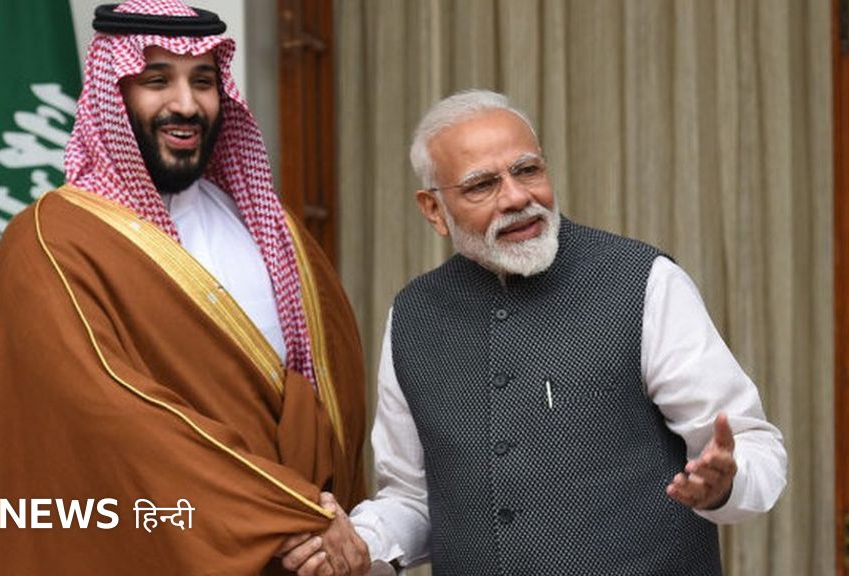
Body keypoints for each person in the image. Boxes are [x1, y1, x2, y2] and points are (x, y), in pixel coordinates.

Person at [283, 90, 787, 575]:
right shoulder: (414, 314)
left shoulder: (644, 282)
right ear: (434, 210)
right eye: (482, 185)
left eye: (527, 170)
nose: (517, 197)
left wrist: (725, 484)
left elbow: (752, 446)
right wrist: (362, 542)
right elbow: (415, 498)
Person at [0, 2, 367, 574]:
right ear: (113, 93)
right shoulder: (51, 240)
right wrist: (285, 512)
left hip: (303, 552)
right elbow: (115, 419)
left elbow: (331, 384)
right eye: (157, 81)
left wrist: (327, 525)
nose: (186, 104)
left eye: (203, 81)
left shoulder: (273, 229)